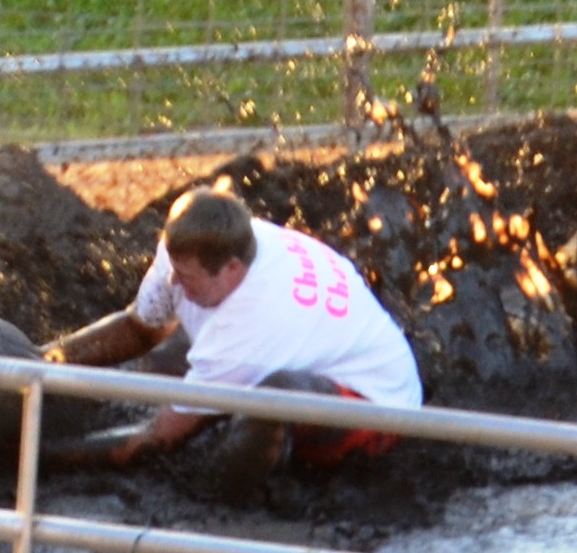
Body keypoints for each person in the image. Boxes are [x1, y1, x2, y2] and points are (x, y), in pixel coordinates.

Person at [43, 187, 425, 489]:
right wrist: (43, 360)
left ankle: (224, 500)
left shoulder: (247, 331)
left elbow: (154, 441)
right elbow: (140, 327)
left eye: (187, 277)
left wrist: (41, 457)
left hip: (379, 405)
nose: (174, 281)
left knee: (268, 406)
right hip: (307, 340)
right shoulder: (202, 240)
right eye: (173, 269)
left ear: (232, 269)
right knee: (163, 359)